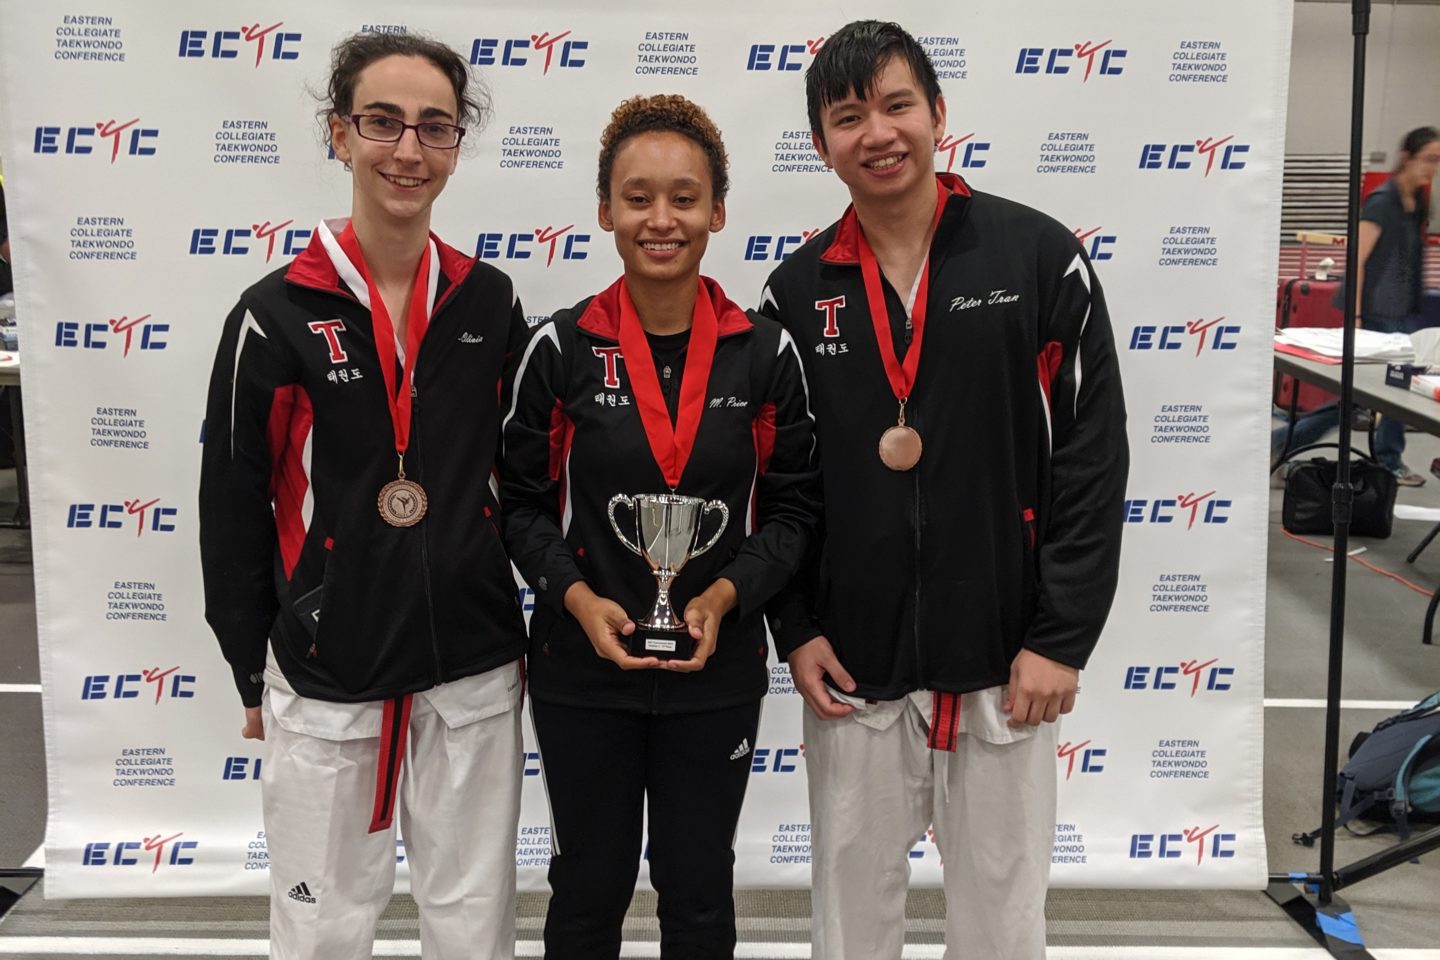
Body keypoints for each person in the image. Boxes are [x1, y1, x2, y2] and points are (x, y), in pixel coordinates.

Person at [759, 21, 1128, 960]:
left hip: (1006, 666)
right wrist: (794, 627)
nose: (877, 133)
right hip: (853, 670)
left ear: (938, 115)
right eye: (849, 116)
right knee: (849, 927)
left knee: (1002, 928)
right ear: (820, 143)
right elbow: (778, 485)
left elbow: (1090, 457)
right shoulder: (795, 293)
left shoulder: (1038, 259)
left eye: (896, 106)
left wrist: (1060, 636)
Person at [199, 33, 529, 960]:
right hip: (325, 669)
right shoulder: (275, 313)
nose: (409, 151)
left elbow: (521, 477)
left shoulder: (489, 301)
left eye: (435, 127)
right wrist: (247, 661)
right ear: (340, 135)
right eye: (383, 123)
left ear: (458, 144)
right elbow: (232, 502)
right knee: (319, 929)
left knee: (473, 926)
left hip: (470, 665)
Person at [500, 94, 820, 959]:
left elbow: (793, 514)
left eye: (684, 197)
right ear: (604, 210)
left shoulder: (765, 351)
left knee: (700, 896)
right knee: (586, 893)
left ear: (718, 209)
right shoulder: (560, 349)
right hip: (580, 673)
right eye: (637, 197)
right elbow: (521, 508)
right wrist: (574, 600)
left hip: (716, 674)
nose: (661, 219)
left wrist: (719, 595)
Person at [1346, 125, 1440, 486]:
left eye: (1437, 161)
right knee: (1390, 386)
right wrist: (1356, 316)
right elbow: (1357, 257)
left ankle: (1388, 457)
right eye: (1427, 159)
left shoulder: (1415, 202)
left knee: (1368, 391)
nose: (1432, 167)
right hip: (1376, 311)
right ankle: (1388, 459)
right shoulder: (1383, 201)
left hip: (1400, 309)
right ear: (1406, 158)